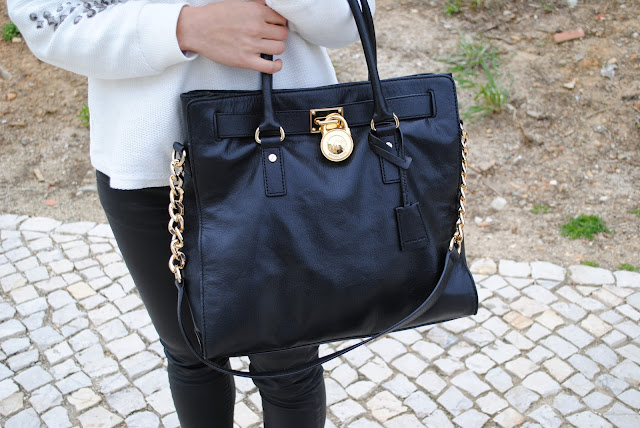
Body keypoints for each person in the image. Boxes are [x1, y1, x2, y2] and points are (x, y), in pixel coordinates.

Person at [7, 0, 375, 426]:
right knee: (191, 354)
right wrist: (182, 28)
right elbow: (48, 21)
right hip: (148, 167)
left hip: (284, 151)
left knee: (288, 361)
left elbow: (350, 20)